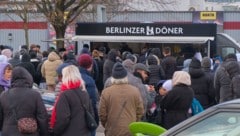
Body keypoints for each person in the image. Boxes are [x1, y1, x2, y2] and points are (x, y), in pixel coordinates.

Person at [0, 66, 49, 135]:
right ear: (28, 77)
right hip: (29, 132)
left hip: (8, 132)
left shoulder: (4, 95)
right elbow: (42, 117)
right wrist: (45, 133)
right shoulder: (35, 95)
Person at [99, 62, 144, 136]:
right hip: (130, 129)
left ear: (113, 77)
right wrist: (135, 122)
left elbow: (102, 114)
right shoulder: (135, 91)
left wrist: (107, 125)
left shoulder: (106, 92)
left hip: (112, 130)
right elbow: (140, 111)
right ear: (125, 76)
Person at [50, 65, 93, 136]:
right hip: (84, 132)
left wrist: (55, 131)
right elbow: (91, 112)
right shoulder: (84, 92)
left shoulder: (65, 95)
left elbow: (63, 119)